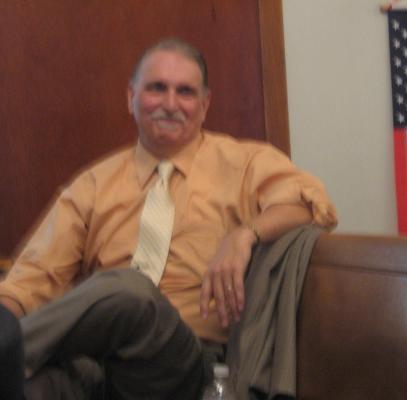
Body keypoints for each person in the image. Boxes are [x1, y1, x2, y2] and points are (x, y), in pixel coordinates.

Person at [0, 37, 337, 399]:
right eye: (157, 88)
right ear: (131, 97)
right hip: (98, 363)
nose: (171, 104)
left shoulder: (245, 163)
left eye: (185, 92)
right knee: (28, 387)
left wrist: (245, 234)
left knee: (131, 291)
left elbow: (312, 204)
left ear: (204, 105)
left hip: (186, 362)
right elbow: (27, 284)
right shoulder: (94, 185)